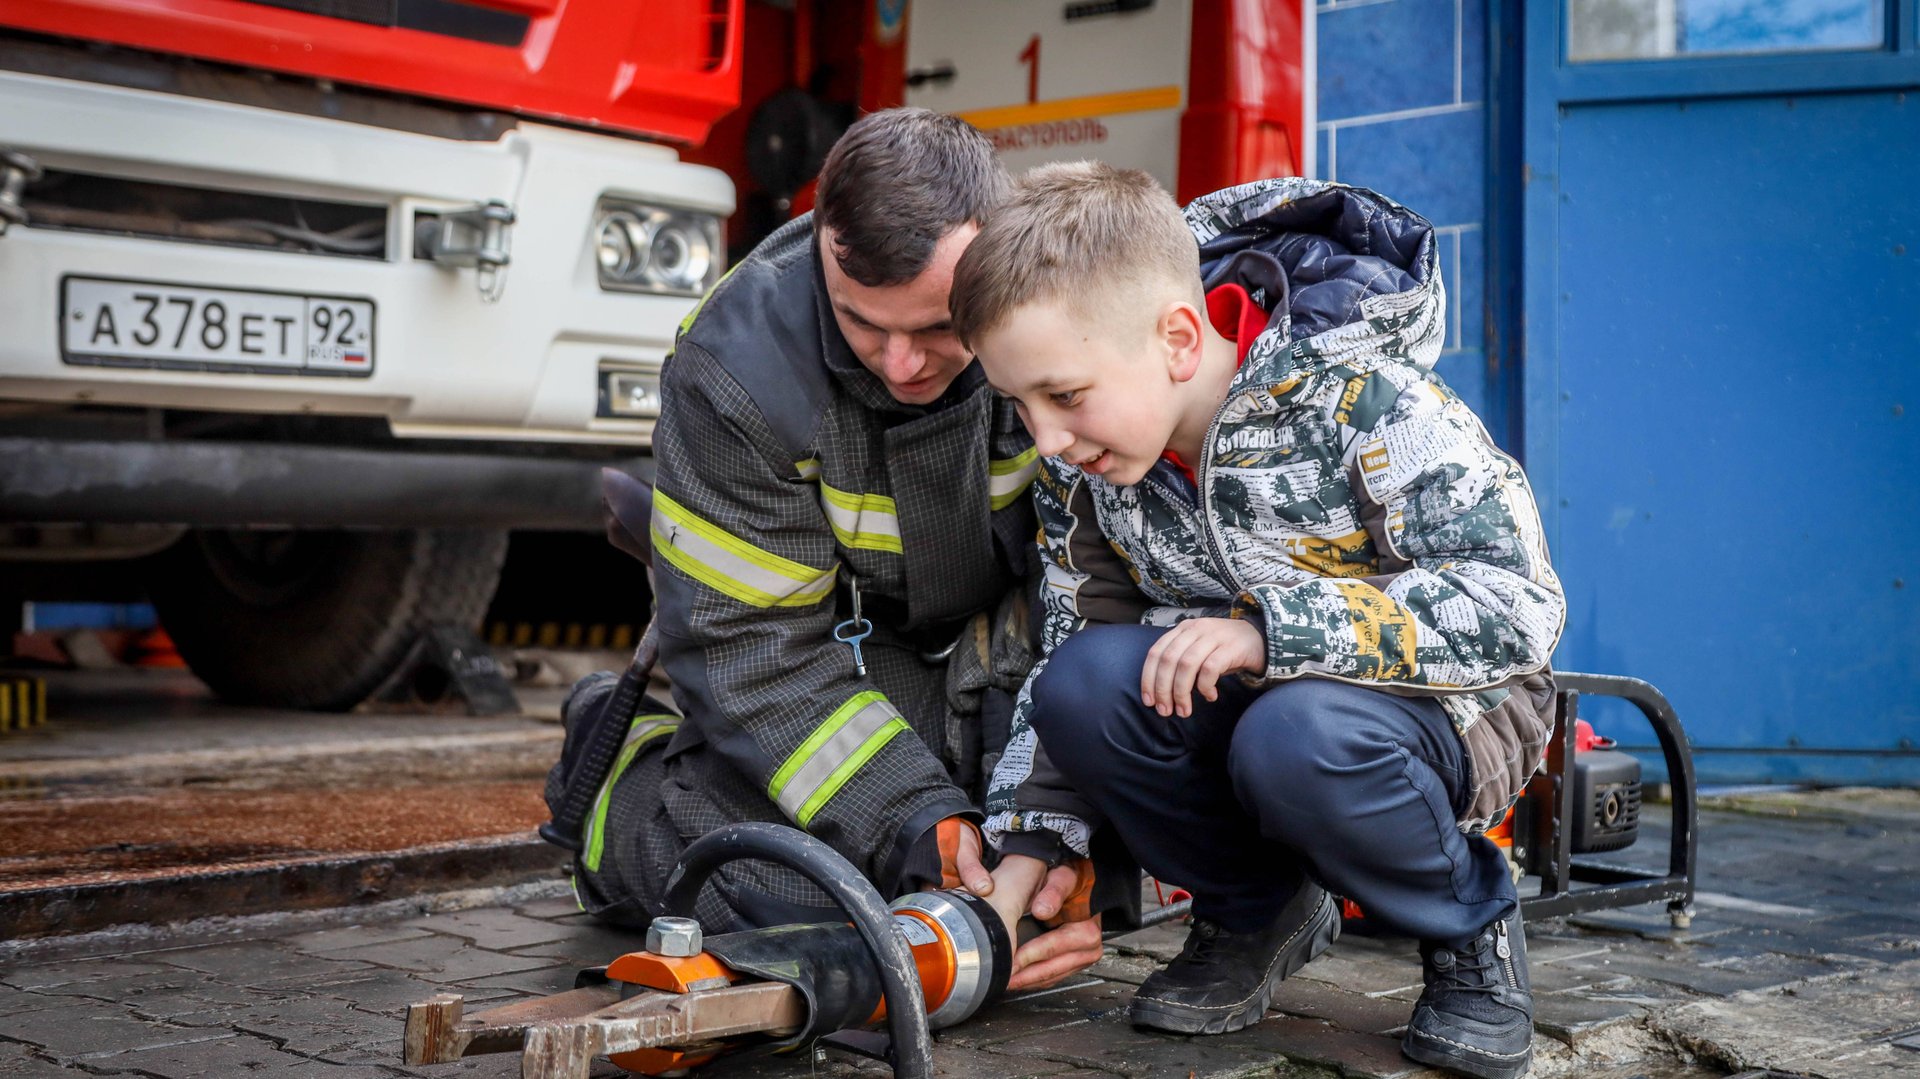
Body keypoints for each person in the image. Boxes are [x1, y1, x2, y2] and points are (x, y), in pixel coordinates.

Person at [948, 163, 1565, 1079]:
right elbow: (1077, 641)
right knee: (1082, 684)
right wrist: (1029, 848)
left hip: (1452, 709)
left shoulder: (1370, 401)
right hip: (1262, 717)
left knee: (1296, 733)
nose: (1046, 437)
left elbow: (1516, 602)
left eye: (1065, 395)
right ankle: (1255, 911)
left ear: (1177, 338)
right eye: (1019, 403)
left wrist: (1276, 632)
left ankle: (1470, 926)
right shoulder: (1086, 468)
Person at [544, 109, 1105, 991]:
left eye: (938, 328)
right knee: (794, 891)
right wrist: (915, 819)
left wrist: (1058, 836)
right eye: (861, 322)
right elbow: (752, 648)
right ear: (821, 254)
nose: (901, 364)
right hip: (833, 665)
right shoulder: (736, 372)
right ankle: (629, 782)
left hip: (1000, 664)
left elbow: (1095, 594)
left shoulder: (1058, 312)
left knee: (1067, 859)